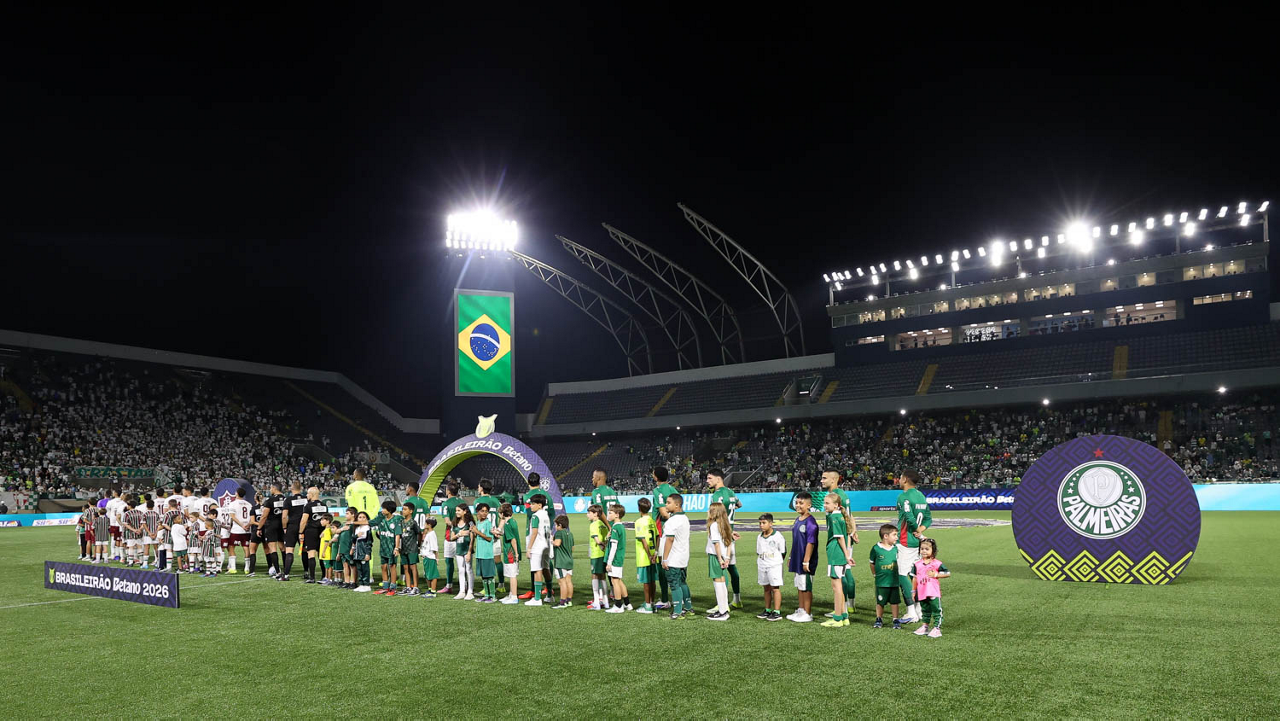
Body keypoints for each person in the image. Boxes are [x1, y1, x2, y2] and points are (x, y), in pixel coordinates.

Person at [895, 469, 932, 624]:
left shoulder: (904, 497)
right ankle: (919, 609)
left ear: (905, 479)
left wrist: (916, 530)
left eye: (900, 477)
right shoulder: (921, 496)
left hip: (905, 541)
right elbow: (928, 518)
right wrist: (921, 532)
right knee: (914, 575)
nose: (898, 480)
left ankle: (911, 611)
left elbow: (909, 517)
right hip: (917, 543)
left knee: (903, 574)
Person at [820, 469, 859, 613]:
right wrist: (854, 530)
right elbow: (849, 515)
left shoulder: (839, 495)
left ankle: (845, 608)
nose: (821, 481)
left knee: (842, 574)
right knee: (843, 573)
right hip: (841, 538)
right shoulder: (834, 495)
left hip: (841, 540)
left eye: (824, 478)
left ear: (833, 480)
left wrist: (849, 538)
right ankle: (848, 605)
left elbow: (847, 516)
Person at [706, 469, 743, 609]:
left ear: (718, 479)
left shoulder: (717, 495)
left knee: (721, 568)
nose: (707, 481)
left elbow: (716, 514)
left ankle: (722, 604)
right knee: (732, 568)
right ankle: (737, 599)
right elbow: (739, 505)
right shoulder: (731, 492)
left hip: (721, 535)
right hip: (730, 534)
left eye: (710, 478)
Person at [820, 492, 852, 628]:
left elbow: (840, 538)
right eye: (824, 503)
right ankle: (844, 617)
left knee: (836, 587)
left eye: (827, 503)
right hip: (839, 554)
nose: (824, 506)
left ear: (836, 505)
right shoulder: (838, 515)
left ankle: (837, 618)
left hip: (836, 554)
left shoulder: (835, 517)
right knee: (839, 585)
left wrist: (846, 555)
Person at [787, 491, 819, 623]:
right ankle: (800, 610)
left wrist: (806, 561)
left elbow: (810, 543)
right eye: (796, 502)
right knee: (799, 586)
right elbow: (795, 541)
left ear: (809, 505)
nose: (798, 505)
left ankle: (807, 612)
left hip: (805, 561)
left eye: (801, 503)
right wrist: (790, 557)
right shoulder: (797, 520)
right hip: (796, 558)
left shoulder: (810, 522)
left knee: (806, 587)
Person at [650, 467, 679, 609]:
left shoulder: (657, 491)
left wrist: (669, 520)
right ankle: (679, 599)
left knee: (662, 565)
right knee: (676, 565)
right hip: (676, 533)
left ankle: (665, 599)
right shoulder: (674, 490)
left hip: (663, 532)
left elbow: (663, 512)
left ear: (656, 477)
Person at [660, 493, 692, 619]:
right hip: (683, 556)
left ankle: (677, 611)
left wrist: (665, 558)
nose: (666, 505)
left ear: (677, 505)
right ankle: (688, 608)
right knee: (682, 582)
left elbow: (670, 540)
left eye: (668, 502)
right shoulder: (684, 518)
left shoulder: (672, 521)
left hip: (673, 558)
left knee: (674, 584)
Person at [910, 538, 949, 638]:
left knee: (936, 610)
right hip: (922, 591)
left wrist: (936, 574)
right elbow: (915, 578)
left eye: (926, 549)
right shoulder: (917, 564)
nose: (923, 551)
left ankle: (937, 628)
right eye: (922, 548)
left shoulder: (937, 563)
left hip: (933, 591)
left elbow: (947, 573)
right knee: (925, 610)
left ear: (933, 551)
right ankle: (925, 627)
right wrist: (913, 591)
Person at [519, 473, 546, 600]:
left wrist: (529, 547)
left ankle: (534, 592)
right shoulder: (547, 496)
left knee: (535, 565)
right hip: (545, 533)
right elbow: (551, 512)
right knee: (545, 562)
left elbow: (530, 514)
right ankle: (548, 589)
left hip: (533, 533)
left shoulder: (527, 497)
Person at [705, 502, 733, 621]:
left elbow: (716, 544)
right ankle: (724, 609)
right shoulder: (725, 524)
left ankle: (722, 612)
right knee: (721, 581)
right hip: (723, 556)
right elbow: (729, 543)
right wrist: (726, 557)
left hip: (715, 556)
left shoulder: (713, 525)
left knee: (717, 582)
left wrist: (720, 559)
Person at [870, 523, 902, 629]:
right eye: (894, 535)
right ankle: (879, 618)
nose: (897, 537)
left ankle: (895, 619)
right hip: (881, 581)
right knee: (880, 601)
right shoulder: (876, 549)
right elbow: (872, 563)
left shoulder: (896, 549)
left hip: (893, 581)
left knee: (895, 601)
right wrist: (875, 574)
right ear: (886, 536)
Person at [755, 513, 785, 621]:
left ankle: (777, 611)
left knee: (775, 588)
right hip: (762, 565)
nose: (761, 525)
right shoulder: (759, 537)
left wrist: (776, 562)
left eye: (764, 523)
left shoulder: (778, 536)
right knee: (766, 588)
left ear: (771, 523)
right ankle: (767, 610)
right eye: (760, 523)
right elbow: (758, 552)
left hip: (774, 565)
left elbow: (783, 551)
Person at [524, 493, 552, 606]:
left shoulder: (535, 516)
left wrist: (529, 548)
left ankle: (537, 598)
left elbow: (534, 533)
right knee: (546, 569)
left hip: (537, 546)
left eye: (533, 503)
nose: (531, 505)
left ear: (540, 505)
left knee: (537, 570)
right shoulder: (546, 515)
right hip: (546, 546)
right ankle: (550, 595)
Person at [633, 497, 658, 614]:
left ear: (639, 508)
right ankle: (652, 603)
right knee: (652, 580)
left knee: (646, 582)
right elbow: (658, 536)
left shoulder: (639, 522)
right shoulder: (652, 521)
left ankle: (647, 606)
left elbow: (643, 540)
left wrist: (648, 555)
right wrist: (655, 553)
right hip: (654, 555)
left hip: (644, 557)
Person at [604, 504, 630, 614]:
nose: (608, 515)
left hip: (615, 559)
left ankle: (618, 605)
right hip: (620, 557)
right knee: (618, 580)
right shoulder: (620, 526)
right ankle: (627, 604)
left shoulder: (615, 528)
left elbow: (614, 546)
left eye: (610, 513)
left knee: (615, 581)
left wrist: (609, 562)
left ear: (617, 515)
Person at [299, 486, 328, 584]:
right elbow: (328, 520)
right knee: (321, 555)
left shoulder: (308, 506)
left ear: (311, 494)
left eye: (307, 493)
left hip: (311, 531)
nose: (307, 495)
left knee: (311, 554)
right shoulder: (324, 505)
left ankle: (312, 577)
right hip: (322, 532)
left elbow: (303, 521)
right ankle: (324, 576)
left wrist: (300, 532)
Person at [440, 482, 465, 595]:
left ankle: (449, 585)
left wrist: (455, 528)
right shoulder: (462, 502)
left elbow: (447, 521)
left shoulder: (445, 504)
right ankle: (464, 585)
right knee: (463, 562)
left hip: (450, 536)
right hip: (462, 534)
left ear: (448, 491)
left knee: (449, 561)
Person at [280, 481, 308, 581]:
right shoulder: (306, 499)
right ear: (301, 488)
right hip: (304, 527)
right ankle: (306, 572)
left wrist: (284, 527)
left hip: (292, 527)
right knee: (305, 550)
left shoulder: (288, 500)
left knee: (289, 551)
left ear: (292, 488)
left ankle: (286, 575)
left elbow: (284, 516)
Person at [472, 503, 498, 603]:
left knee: (489, 575)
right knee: (483, 575)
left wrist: (477, 532)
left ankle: (493, 596)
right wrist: (474, 532)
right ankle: (486, 595)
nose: (484, 513)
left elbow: (489, 538)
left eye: (486, 511)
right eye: (482, 511)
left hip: (487, 553)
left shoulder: (488, 523)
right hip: (480, 553)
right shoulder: (478, 523)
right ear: (477, 511)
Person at [376, 500, 402, 596]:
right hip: (383, 547)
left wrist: (396, 548)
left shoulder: (396, 520)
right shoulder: (382, 519)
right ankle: (385, 586)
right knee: (383, 566)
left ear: (389, 510)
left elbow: (397, 535)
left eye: (384, 508)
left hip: (392, 547)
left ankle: (393, 587)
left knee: (392, 566)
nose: (382, 510)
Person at [586, 503, 610, 610]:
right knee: (603, 577)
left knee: (595, 576)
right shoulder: (603, 524)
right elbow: (606, 539)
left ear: (595, 514)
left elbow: (597, 540)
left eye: (589, 513)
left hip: (596, 554)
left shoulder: (593, 525)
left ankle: (596, 601)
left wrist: (601, 544)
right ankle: (606, 601)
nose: (587, 515)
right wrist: (604, 545)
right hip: (603, 555)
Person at [224, 487, 253, 575]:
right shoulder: (249, 504)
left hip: (237, 529)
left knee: (231, 547)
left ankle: (233, 568)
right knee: (246, 547)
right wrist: (247, 525)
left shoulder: (233, 504)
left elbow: (232, 516)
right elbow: (252, 517)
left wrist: (241, 525)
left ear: (236, 493)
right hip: (247, 530)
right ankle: (247, 568)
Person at [261, 482, 287, 579]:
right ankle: (286, 570)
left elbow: (264, 516)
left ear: (274, 488)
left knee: (273, 548)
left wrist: (259, 528)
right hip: (282, 525)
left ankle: (277, 572)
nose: (270, 489)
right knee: (283, 548)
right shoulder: (286, 499)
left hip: (271, 526)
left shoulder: (270, 500)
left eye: (271, 488)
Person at [498, 503, 522, 604]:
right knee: (511, 573)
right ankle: (511, 595)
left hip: (510, 552)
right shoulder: (512, 521)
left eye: (500, 513)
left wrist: (516, 553)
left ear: (503, 513)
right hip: (512, 551)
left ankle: (514, 597)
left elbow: (513, 540)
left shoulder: (507, 524)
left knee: (512, 575)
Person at [397, 502, 422, 596]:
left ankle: (415, 587)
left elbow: (419, 533)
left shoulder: (413, 522)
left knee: (413, 567)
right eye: (402, 509)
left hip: (412, 548)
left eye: (405, 509)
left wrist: (418, 545)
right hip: (403, 548)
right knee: (405, 567)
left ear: (411, 511)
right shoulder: (401, 522)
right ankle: (408, 587)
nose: (403, 511)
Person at [551, 515, 574, 609]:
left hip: (561, 561)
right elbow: (572, 548)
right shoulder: (570, 534)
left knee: (562, 582)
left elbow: (557, 543)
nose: (555, 527)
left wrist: (550, 540)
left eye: (556, 525)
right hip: (569, 560)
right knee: (569, 581)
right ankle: (569, 601)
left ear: (560, 525)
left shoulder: (559, 533)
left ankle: (562, 602)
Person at [453, 506, 475, 601]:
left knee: (469, 570)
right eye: (456, 510)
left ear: (465, 511)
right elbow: (451, 537)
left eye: (458, 510)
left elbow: (472, 538)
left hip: (467, 550)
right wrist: (459, 534)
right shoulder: (455, 523)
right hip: (459, 550)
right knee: (461, 570)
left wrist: (469, 551)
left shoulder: (470, 523)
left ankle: (470, 591)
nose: (456, 512)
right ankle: (462, 591)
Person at [352, 510, 374, 592]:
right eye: (360, 517)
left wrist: (367, 553)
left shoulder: (367, 528)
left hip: (363, 551)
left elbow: (369, 542)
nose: (361, 519)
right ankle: (361, 584)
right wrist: (355, 537)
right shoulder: (357, 529)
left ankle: (367, 584)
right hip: (357, 552)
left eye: (364, 517)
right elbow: (353, 540)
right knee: (359, 569)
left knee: (365, 569)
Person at [420, 517, 440, 597]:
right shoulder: (428, 534)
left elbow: (434, 548)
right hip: (426, 557)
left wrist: (436, 558)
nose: (424, 525)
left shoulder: (432, 535)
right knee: (427, 574)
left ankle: (433, 591)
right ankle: (429, 589)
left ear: (429, 525)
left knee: (433, 575)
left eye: (425, 523)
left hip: (430, 558)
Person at [318, 514, 336, 585]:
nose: (320, 522)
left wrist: (323, 551)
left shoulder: (327, 530)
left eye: (322, 520)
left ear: (328, 521)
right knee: (326, 566)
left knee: (328, 566)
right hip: (325, 551)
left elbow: (327, 542)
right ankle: (326, 577)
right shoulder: (326, 530)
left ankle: (329, 579)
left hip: (326, 551)